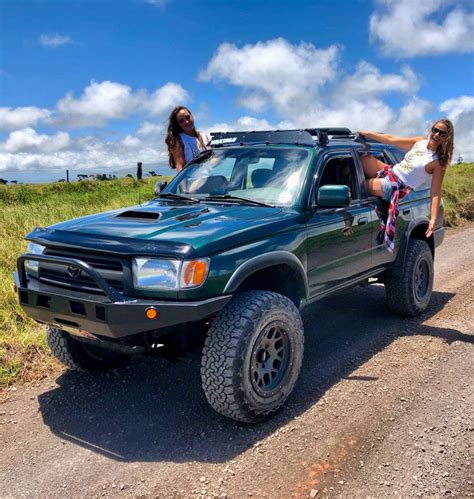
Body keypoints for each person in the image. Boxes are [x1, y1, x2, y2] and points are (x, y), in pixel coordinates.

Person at [357, 119, 454, 252]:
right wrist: (368, 134)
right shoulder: (419, 142)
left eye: (442, 133)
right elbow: (391, 139)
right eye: (435, 130)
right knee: (361, 159)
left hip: (395, 186)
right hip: (390, 170)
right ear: (431, 130)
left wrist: (433, 219)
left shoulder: (438, 162)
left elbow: (436, 192)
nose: (436, 135)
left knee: (359, 186)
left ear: (447, 138)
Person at [165, 106, 211, 173]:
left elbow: (211, 161)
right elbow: (180, 167)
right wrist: (184, 184)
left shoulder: (203, 136)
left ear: (191, 115)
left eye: (188, 117)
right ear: (178, 124)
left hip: (209, 178)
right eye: (181, 121)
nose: (186, 122)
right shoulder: (178, 139)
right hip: (191, 181)